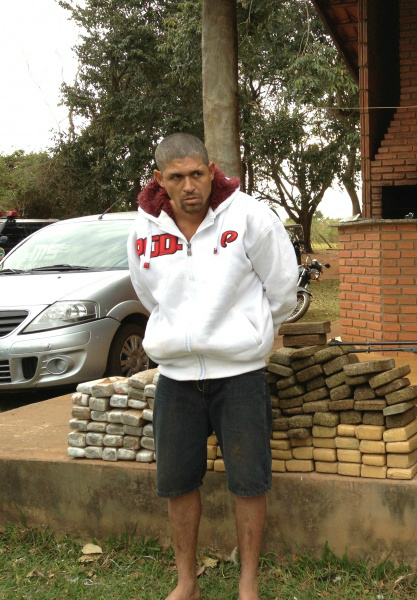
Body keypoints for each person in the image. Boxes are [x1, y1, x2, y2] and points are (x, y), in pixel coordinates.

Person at [127, 133, 297, 600]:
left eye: (197, 174)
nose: (189, 187)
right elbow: (148, 294)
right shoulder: (144, 230)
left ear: (212, 169)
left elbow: (281, 288)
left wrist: (251, 330)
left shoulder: (248, 217)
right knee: (177, 483)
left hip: (239, 375)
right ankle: (187, 582)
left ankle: (248, 584)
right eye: (177, 177)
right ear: (160, 179)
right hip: (176, 379)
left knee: (249, 483)